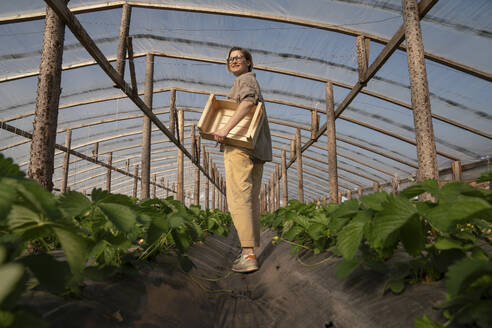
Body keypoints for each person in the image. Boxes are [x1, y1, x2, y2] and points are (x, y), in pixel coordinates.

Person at [212, 47, 272, 273]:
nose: (234, 61)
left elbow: (247, 103)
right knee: (250, 199)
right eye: (230, 59)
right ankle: (250, 251)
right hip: (257, 148)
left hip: (240, 145)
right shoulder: (250, 80)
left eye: (239, 57)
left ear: (248, 62)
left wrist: (225, 129)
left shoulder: (245, 80)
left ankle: (248, 254)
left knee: (238, 197)